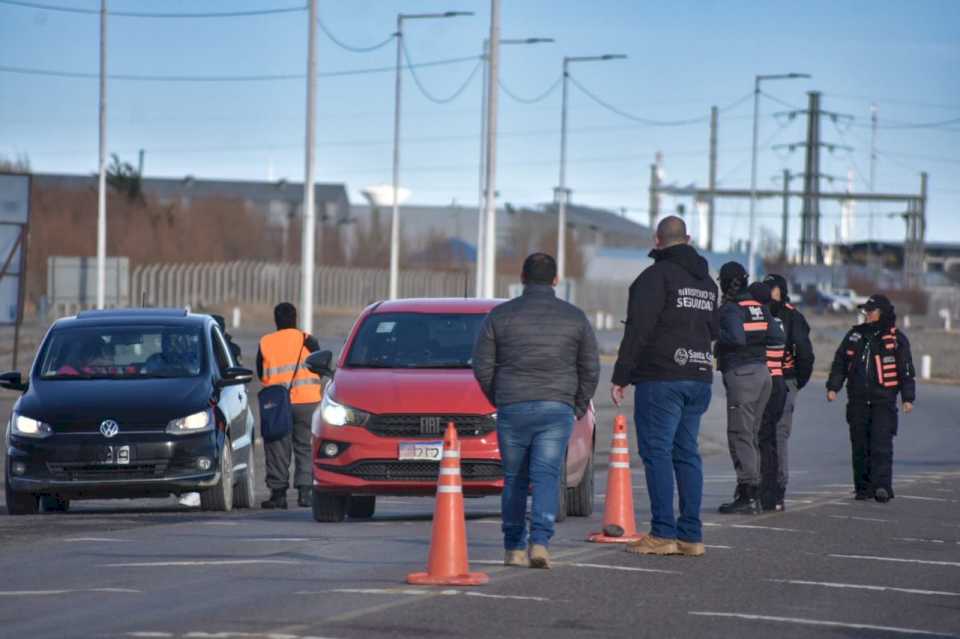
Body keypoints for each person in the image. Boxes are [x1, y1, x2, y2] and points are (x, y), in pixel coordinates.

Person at [472, 253, 600, 569]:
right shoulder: (575, 318)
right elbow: (591, 368)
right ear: (556, 280)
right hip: (556, 408)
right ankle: (540, 543)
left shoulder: (499, 316)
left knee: (515, 478)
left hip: (512, 406)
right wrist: (577, 404)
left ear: (523, 278)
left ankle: (513, 547)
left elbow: (482, 364)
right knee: (546, 476)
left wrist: (499, 396)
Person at [611, 216, 718, 557]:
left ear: (657, 241)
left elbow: (638, 330)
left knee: (657, 453)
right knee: (686, 453)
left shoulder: (653, 278)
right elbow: (713, 330)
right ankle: (691, 536)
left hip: (662, 377)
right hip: (699, 375)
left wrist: (621, 375)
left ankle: (662, 533)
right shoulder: (708, 284)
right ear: (687, 238)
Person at [826, 294, 915, 503]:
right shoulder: (855, 335)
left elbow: (907, 370)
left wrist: (907, 397)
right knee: (859, 445)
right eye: (865, 311)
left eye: (871, 311)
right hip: (857, 400)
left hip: (883, 400)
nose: (867, 314)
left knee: (881, 444)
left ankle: (882, 486)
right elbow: (840, 362)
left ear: (882, 313)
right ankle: (862, 487)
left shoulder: (896, 339)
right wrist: (833, 387)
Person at [715, 262, 783, 515]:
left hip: (741, 374)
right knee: (752, 435)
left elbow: (735, 338)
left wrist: (714, 332)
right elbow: (777, 337)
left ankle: (747, 494)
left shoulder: (731, 309)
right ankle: (754, 490)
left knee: (740, 435)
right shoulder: (758, 306)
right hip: (763, 373)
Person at [257, 302, 324, 509]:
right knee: (305, 447)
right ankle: (306, 493)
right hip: (308, 402)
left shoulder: (266, 342)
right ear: (296, 318)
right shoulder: (309, 340)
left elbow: (261, 374)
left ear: (276, 320)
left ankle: (278, 495)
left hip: (277, 403)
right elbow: (320, 367)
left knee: (277, 447)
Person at [761, 274, 814, 511]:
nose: (768, 292)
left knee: (779, 433)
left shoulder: (793, 316)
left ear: (781, 291)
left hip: (785, 379)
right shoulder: (758, 311)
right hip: (761, 380)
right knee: (758, 434)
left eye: (771, 288)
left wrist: (795, 381)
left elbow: (805, 352)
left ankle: (778, 488)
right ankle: (758, 487)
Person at [747, 281, 788, 512]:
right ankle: (770, 494)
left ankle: (760, 492)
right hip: (779, 381)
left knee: (758, 439)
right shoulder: (777, 321)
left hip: (766, 383)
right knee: (769, 439)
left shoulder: (760, 322)